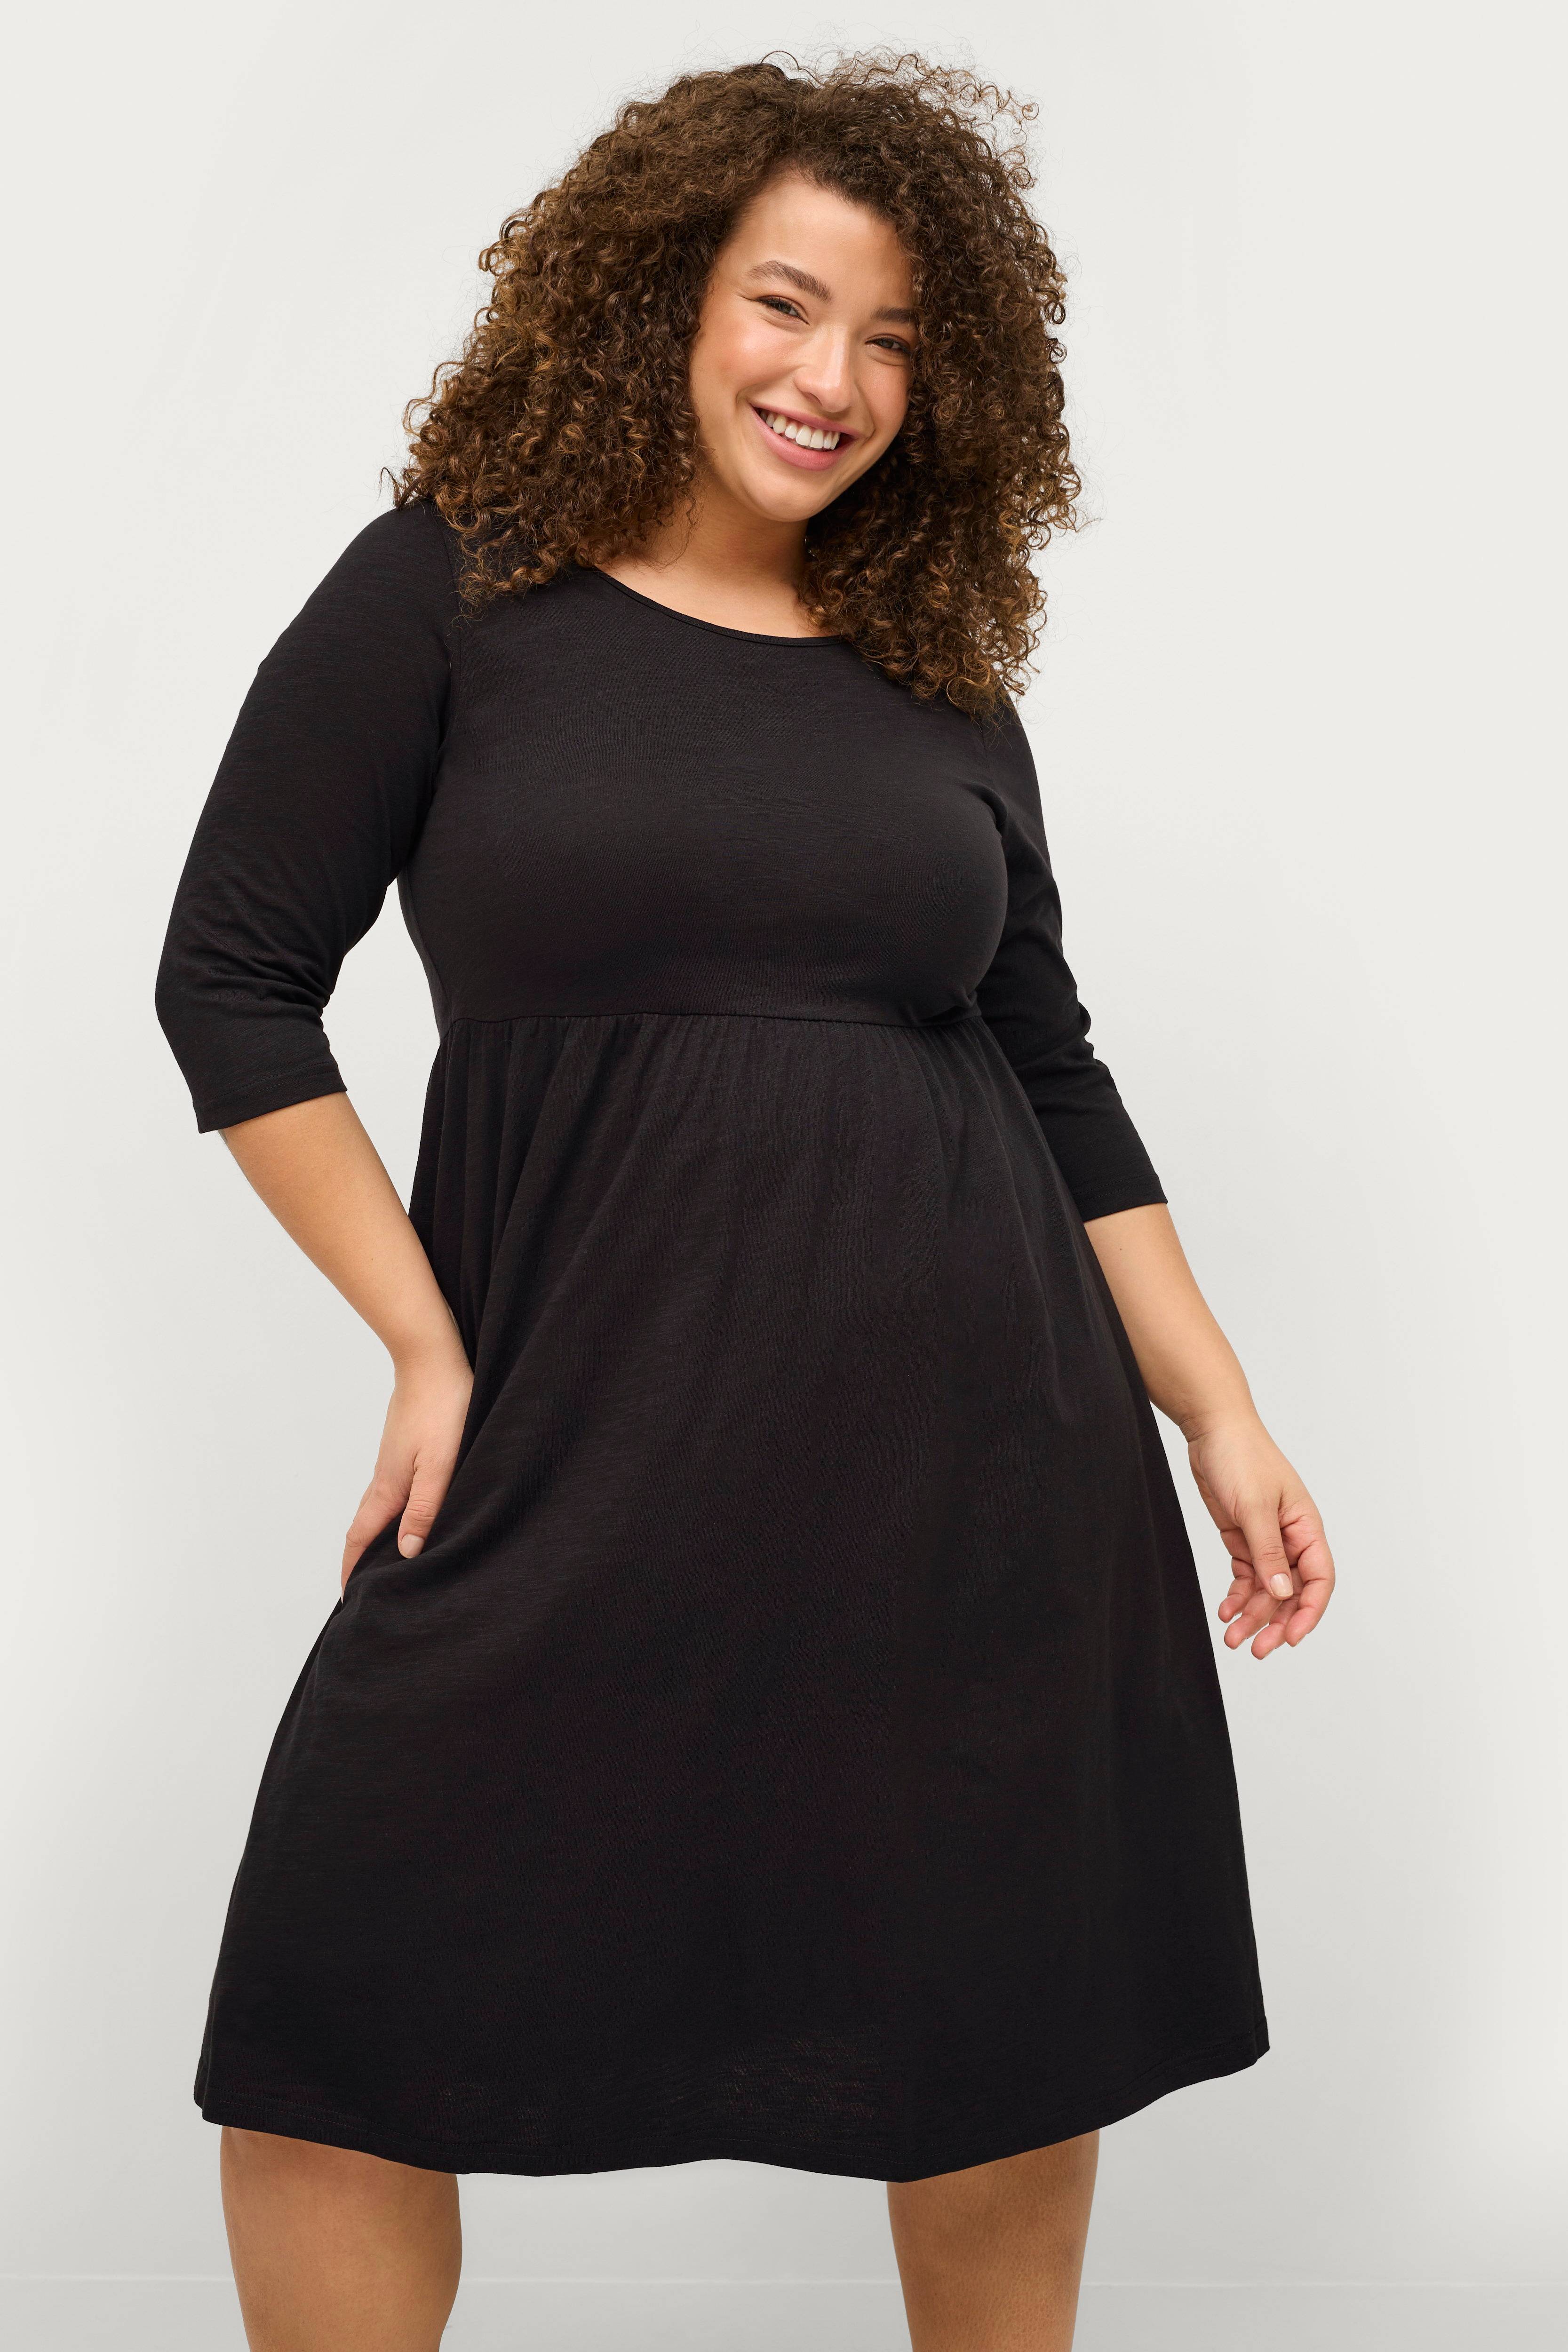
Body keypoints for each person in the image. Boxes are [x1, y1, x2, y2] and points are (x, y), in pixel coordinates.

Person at [155, 53, 1334, 2352]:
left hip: (977, 1466)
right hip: (574, 1434)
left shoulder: (934, 676)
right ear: (663, 294)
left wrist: (1219, 1408)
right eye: (789, 304)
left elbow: (1050, 1064)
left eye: (897, 339)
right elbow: (232, 978)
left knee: (993, 2036)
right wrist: (423, 1340)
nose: (836, 380)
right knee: (338, 2021)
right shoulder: (452, 590)